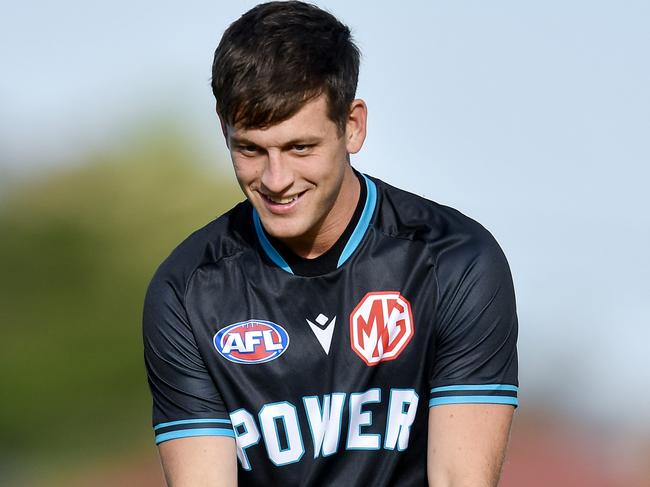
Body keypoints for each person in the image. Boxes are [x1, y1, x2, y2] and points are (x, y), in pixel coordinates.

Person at [143, 1, 519, 485]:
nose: (276, 179)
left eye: (301, 148)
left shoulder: (456, 261)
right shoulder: (187, 290)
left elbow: (458, 478)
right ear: (225, 130)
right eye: (252, 149)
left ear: (353, 125)